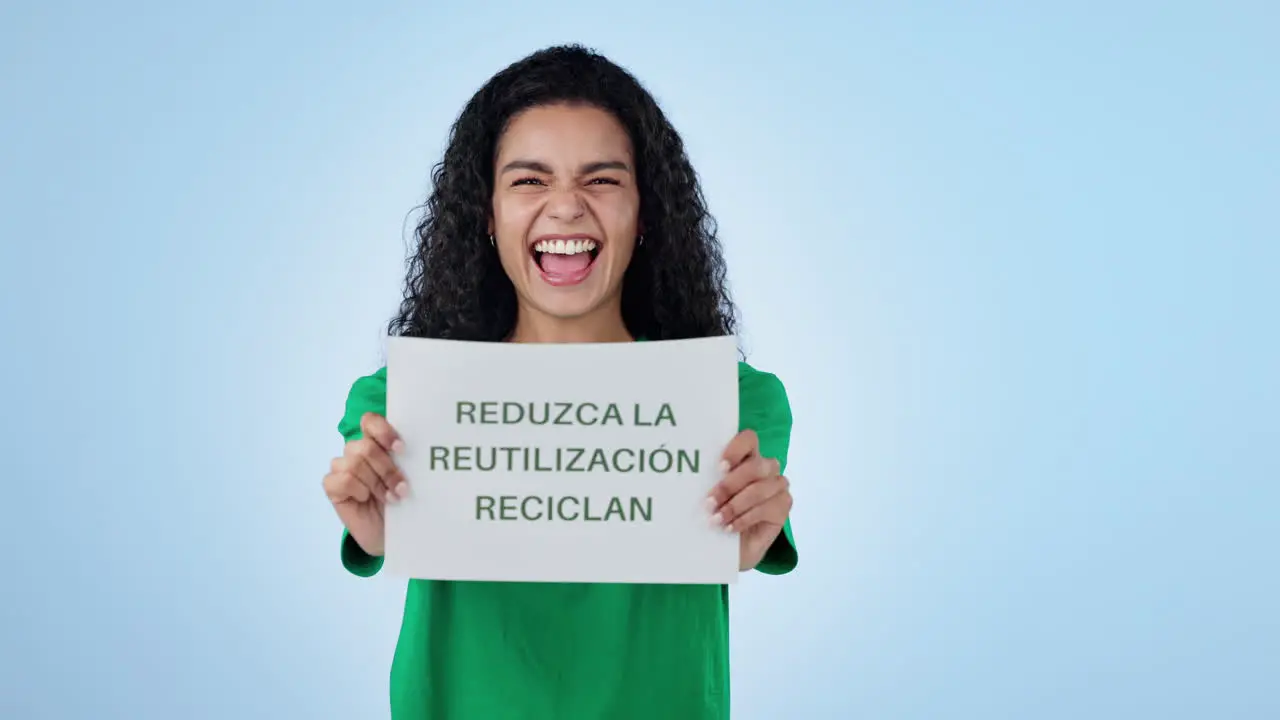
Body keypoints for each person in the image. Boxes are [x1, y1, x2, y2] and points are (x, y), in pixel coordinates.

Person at [322, 44, 797, 720]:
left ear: (646, 215)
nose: (567, 207)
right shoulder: (398, 403)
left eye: (602, 180)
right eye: (528, 181)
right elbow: (383, 532)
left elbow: (742, 534)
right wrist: (376, 528)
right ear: (486, 217)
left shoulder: (736, 402)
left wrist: (744, 537)